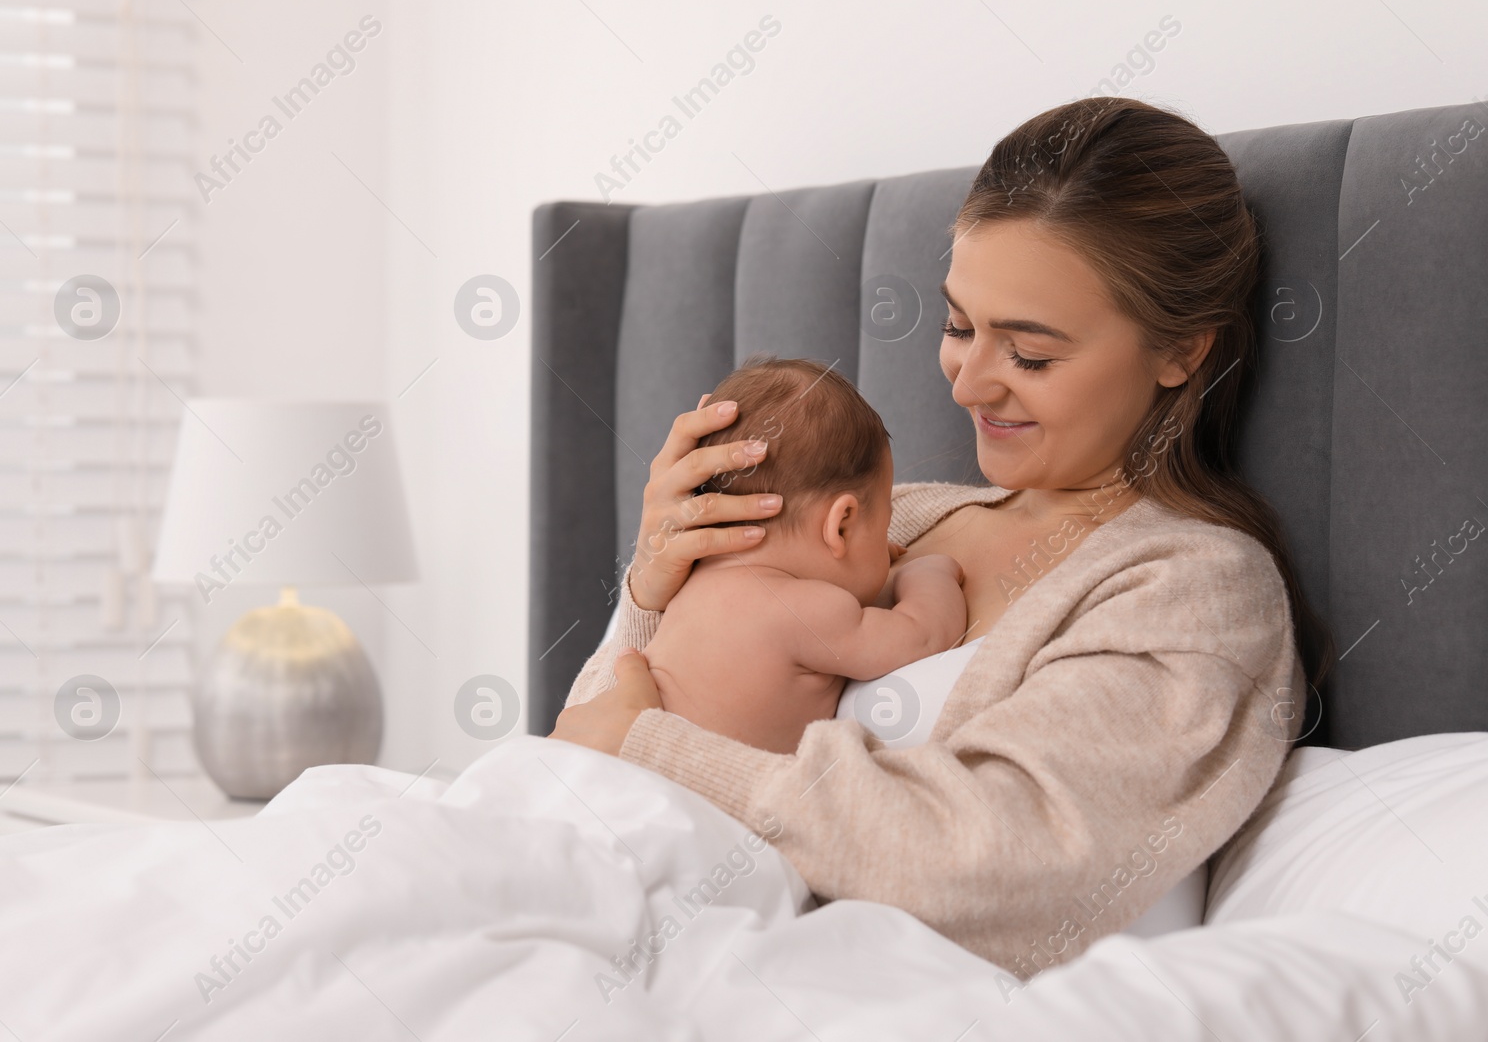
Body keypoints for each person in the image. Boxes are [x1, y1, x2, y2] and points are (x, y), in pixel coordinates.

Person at [551, 95, 1332, 980]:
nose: (968, 384)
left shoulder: (1194, 590)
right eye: (960, 327)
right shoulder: (889, 513)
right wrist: (651, 588)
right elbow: (582, 754)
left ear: (1182, 350)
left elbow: (986, 860)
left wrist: (657, 745)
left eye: (1030, 356)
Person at [639, 353, 968, 754]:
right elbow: (924, 637)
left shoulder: (687, 582)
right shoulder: (810, 609)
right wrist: (928, 573)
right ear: (841, 525)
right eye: (883, 525)